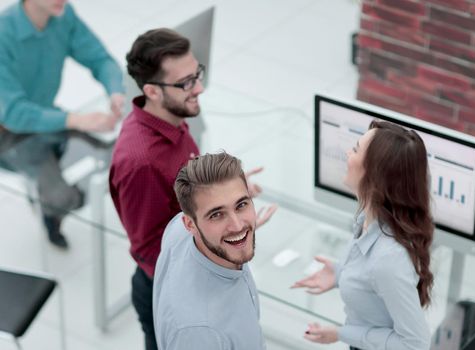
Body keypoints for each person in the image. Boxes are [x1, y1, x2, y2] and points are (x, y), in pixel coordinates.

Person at [110, 29, 275, 350]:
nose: (198, 87)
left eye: (197, 75)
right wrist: (226, 231)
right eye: (186, 83)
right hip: (169, 283)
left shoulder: (172, 115)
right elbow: (149, 249)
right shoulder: (140, 162)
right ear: (152, 91)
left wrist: (223, 199)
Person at [292, 120, 434, 350]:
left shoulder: (389, 259)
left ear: (375, 174)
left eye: (356, 149)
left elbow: (415, 345)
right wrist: (340, 273)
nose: (348, 153)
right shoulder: (367, 222)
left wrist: (342, 333)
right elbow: (372, 280)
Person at [0, 0, 125, 248]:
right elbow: (12, 113)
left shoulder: (62, 15)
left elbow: (100, 58)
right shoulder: (4, 34)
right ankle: (52, 207)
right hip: (8, 134)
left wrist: (115, 91)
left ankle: (49, 181)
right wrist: (76, 120)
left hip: (45, 117)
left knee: (117, 157)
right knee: (62, 198)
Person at [154, 152, 266, 350]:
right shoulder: (201, 333)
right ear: (190, 224)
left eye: (241, 204)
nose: (238, 225)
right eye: (217, 214)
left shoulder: (179, 230)